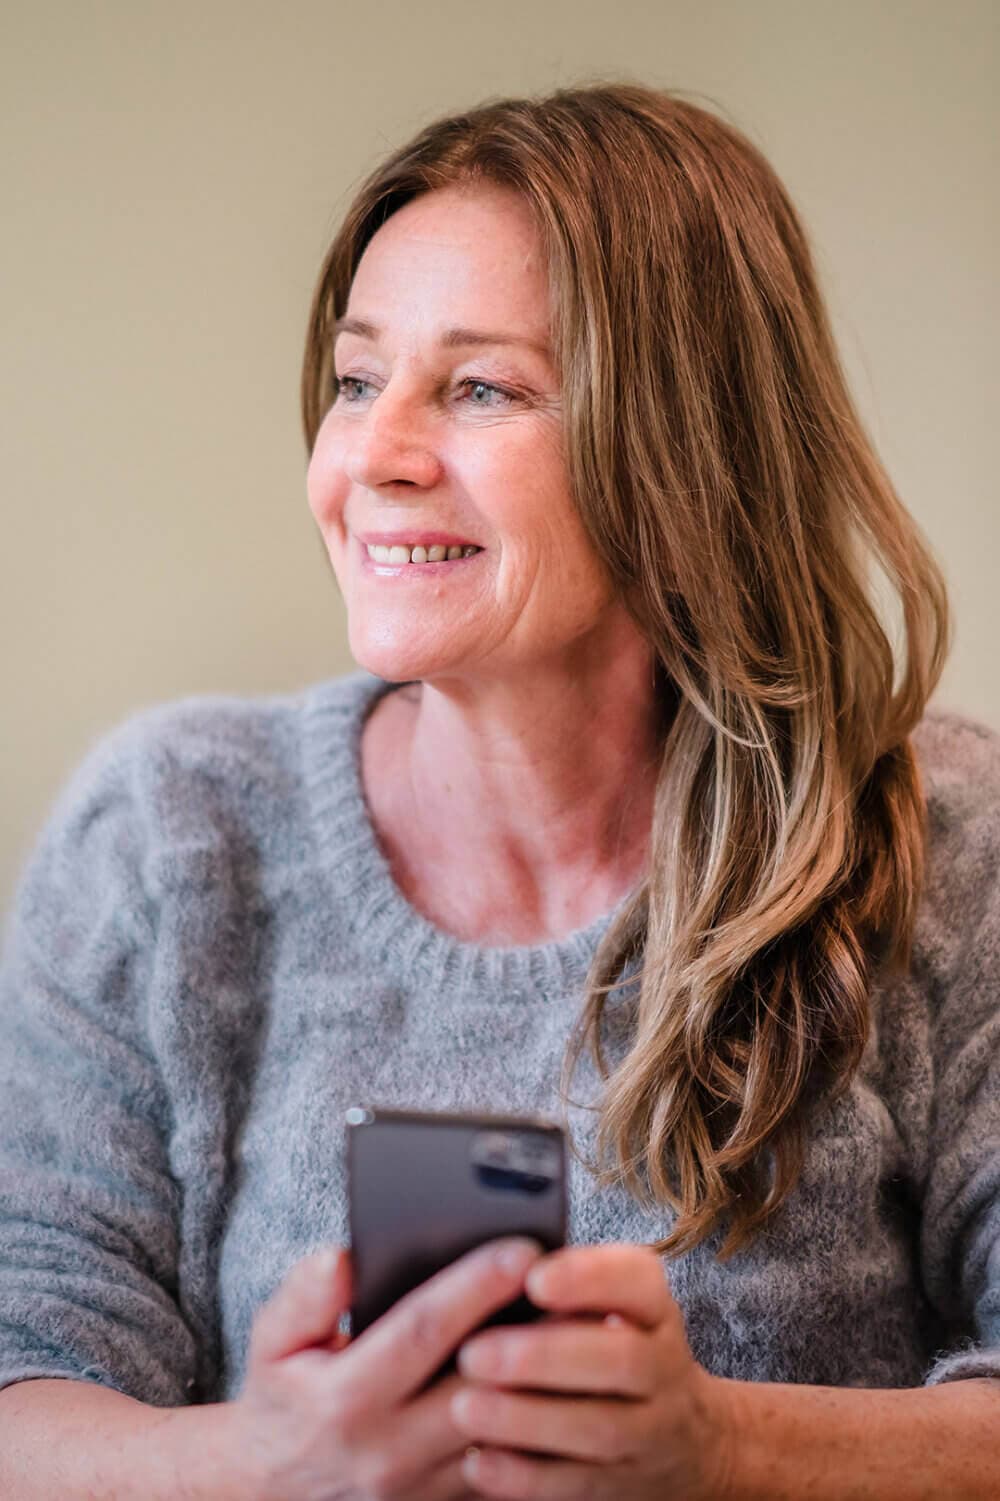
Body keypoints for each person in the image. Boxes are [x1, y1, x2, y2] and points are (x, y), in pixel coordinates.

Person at [0, 80, 998, 1501]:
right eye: (357, 377)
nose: (374, 457)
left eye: (480, 387)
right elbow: (23, 1389)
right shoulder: (168, 838)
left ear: (679, 448)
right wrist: (264, 1462)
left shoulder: (943, 833)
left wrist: (728, 1450)